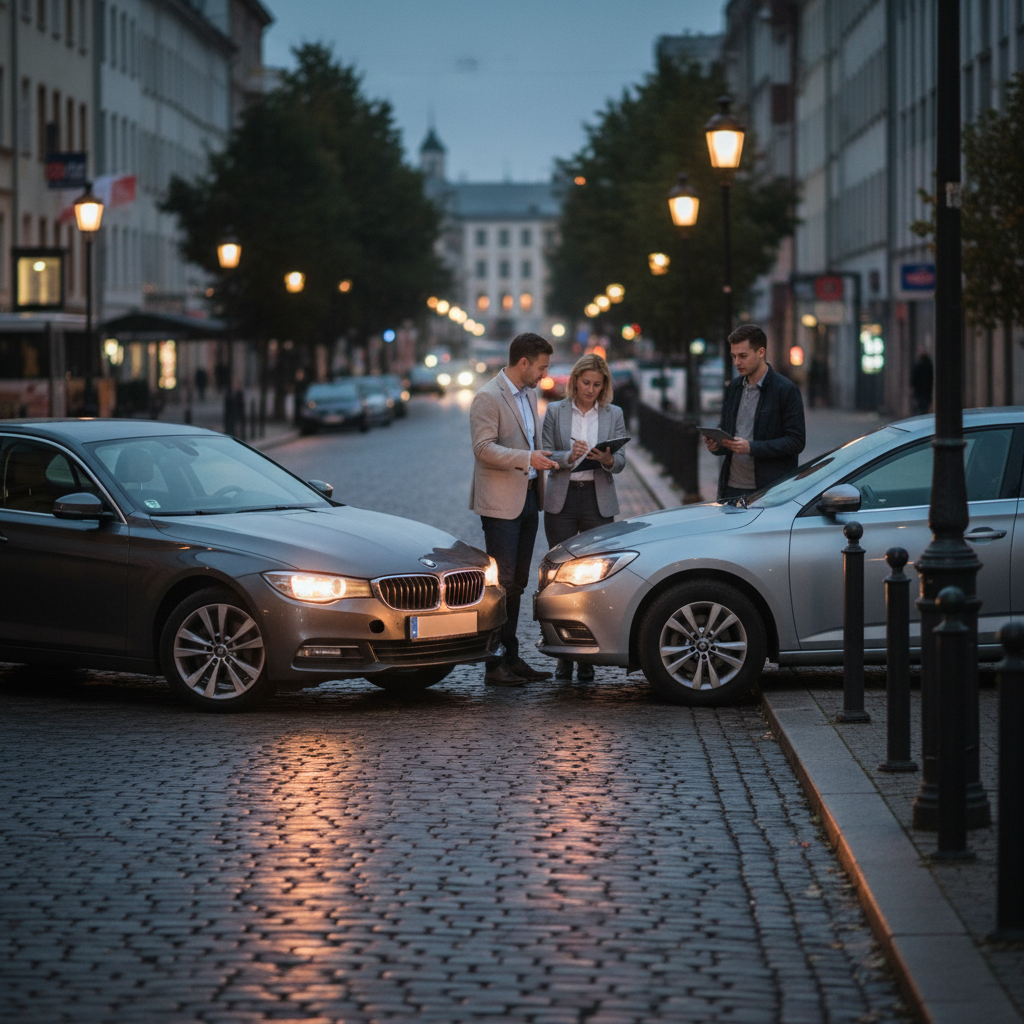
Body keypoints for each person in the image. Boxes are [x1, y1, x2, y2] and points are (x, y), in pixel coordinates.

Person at [469, 333, 559, 687]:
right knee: (501, 583)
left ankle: (512, 655)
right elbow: (482, 448)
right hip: (501, 504)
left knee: (518, 583)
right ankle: (494, 664)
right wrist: (527, 459)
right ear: (524, 363)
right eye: (542, 367)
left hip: (529, 500)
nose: (544, 374)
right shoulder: (487, 397)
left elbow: (532, 442)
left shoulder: (530, 394)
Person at [541, 353, 627, 681]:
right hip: (562, 500)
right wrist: (568, 456)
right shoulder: (555, 411)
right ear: (575, 380)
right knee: (560, 578)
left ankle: (588, 655)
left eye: (597, 385)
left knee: (595, 579)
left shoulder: (613, 414)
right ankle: (563, 655)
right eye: (585, 382)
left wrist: (607, 459)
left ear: (604, 386)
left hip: (597, 500)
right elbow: (547, 454)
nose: (590, 390)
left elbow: (621, 460)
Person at [704, 323, 806, 502]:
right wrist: (717, 445)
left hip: (769, 491)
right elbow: (728, 433)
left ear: (761, 352)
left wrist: (752, 448)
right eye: (734, 356)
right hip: (731, 489)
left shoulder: (785, 390)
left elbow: (796, 441)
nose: (737, 362)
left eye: (743, 356)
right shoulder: (734, 388)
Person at [911, 349, 933, 415]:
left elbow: (914, 378)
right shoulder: (929, 365)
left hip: (920, 391)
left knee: (920, 407)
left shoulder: (919, 366)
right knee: (924, 407)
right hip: (927, 391)